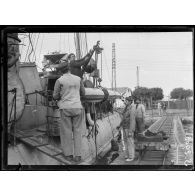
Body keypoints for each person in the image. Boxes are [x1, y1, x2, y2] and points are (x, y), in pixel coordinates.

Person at [53, 63, 86, 163]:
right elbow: (83, 93)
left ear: (60, 71)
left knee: (66, 132)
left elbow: (55, 96)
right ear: (69, 69)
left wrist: (61, 96)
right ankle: (78, 156)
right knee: (77, 131)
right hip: (77, 107)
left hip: (65, 108)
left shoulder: (59, 80)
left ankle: (68, 155)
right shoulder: (78, 79)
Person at [118, 96, 136, 161]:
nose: (125, 102)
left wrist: (131, 131)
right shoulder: (126, 108)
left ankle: (131, 157)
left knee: (130, 142)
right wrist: (120, 125)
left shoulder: (132, 108)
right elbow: (124, 117)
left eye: (126, 101)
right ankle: (127, 155)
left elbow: (132, 120)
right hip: (125, 127)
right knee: (125, 142)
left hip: (129, 128)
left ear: (129, 101)